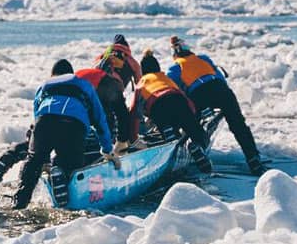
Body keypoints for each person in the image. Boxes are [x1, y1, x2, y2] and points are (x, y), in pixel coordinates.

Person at [12, 59, 118, 208]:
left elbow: (36, 118)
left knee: (33, 163)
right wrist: (107, 150)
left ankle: (18, 203)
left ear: (53, 74)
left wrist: (42, 158)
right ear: (71, 73)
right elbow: (100, 119)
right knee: (72, 163)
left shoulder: (44, 86)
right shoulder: (83, 85)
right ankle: (62, 172)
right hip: (74, 125)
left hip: (44, 122)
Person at [166, 36, 267, 175]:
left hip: (198, 93)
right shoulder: (204, 58)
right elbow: (219, 76)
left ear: (174, 55)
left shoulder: (174, 68)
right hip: (221, 90)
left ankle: (197, 144)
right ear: (189, 51)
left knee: (193, 124)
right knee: (238, 124)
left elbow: (174, 93)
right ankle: (253, 158)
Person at [136, 49, 213, 175]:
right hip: (178, 101)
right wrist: (193, 118)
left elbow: (135, 111)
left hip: (157, 107)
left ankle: (169, 132)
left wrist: (135, 132)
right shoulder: (166, 78)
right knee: (196, 132)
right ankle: (197, 145)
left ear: (142, 71)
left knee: (168, 128)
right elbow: (185, 98)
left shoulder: (141, 82)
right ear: (158, 67)